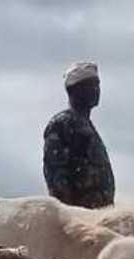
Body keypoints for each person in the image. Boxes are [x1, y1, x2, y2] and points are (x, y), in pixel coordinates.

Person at [43, 62, 114, 208]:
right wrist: (68, 214)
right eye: (89, 86)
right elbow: (56, 175)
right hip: (78, 219)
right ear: (73, 90)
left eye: (97, 85)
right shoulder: (62, 124)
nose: (96, 90)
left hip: (99, 215)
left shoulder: (87, 125)